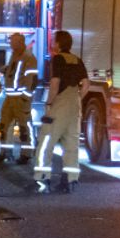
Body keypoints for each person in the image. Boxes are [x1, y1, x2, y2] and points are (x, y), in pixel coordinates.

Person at [35, 30, 90, 193]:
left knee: (46, 141)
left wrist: (50, 103)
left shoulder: (57, 59)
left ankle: (43, 179)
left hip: (60, 104)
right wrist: (78, 98)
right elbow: (86, 84)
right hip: (75, 105)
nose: (52, 43)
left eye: (54, 40)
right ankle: (70, 180)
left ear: (59, 44)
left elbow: (55, 83)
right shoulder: (77, 60)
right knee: (72, 144)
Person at [0, 32, 38, 165]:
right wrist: (3, 70)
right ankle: (5, 152)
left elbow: (31, 79)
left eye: (13, 42)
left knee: (24, 127)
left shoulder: (29, 57)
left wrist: (25, 97)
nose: (11, 44)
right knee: (5, 126)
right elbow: (12, 71)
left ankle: (26, 154)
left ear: (21, 42)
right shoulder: (15, 55)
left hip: (20, 98)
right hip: (10, 97)